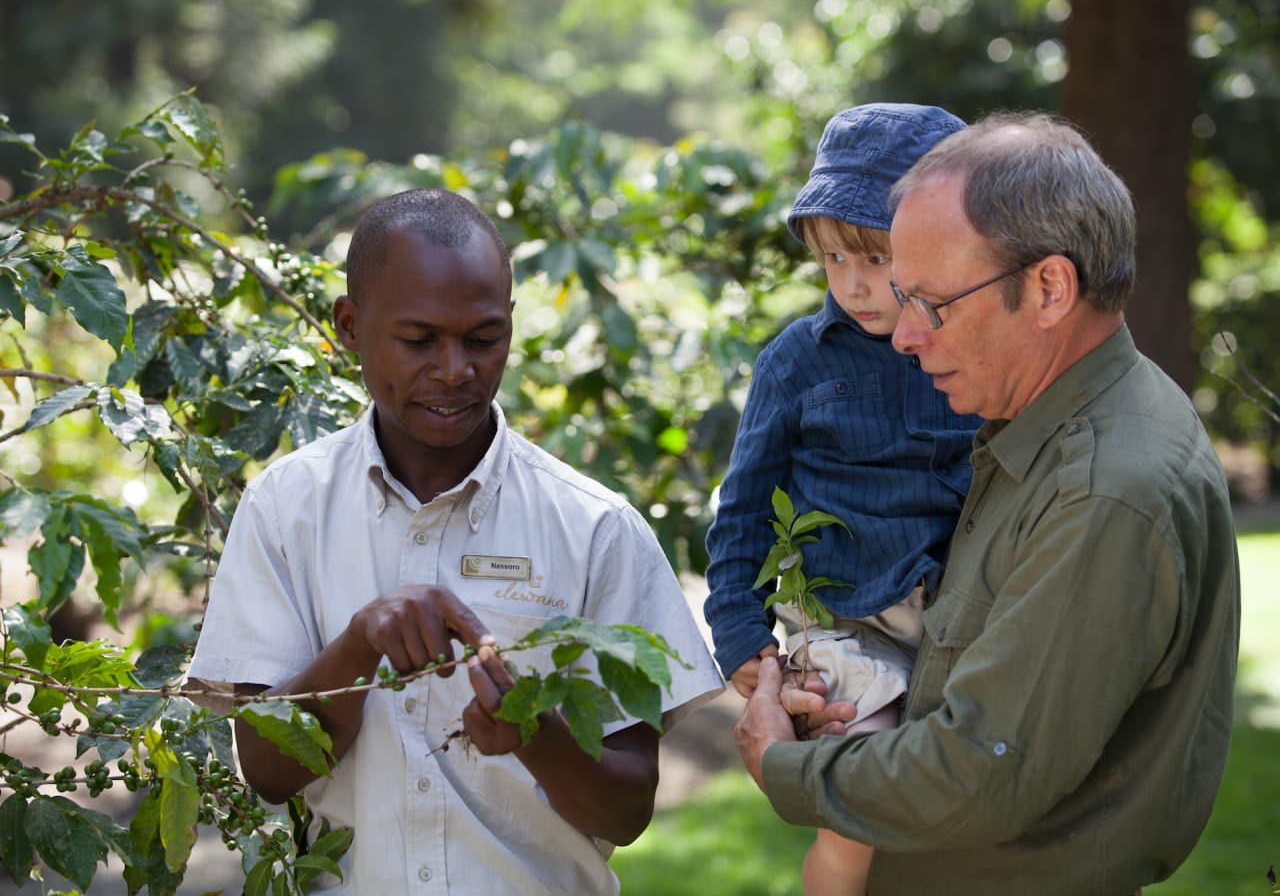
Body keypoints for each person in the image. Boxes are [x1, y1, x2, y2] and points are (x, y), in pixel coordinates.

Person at [734, 112, 1241, 896]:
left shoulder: (1105, 492)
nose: (902, 336)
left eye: (930, 302)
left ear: (1047, 287)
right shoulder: (1038, 416)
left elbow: (976, 771)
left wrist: (783, 763)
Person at [187, 188, 724, 895]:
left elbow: (626, 809)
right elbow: (269, 771)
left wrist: (534, 734)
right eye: (418, 341)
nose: (453, 370)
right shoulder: (287, 510)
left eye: (483, 338)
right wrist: (359, 644)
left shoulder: (594, 528)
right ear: (349, 326)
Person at [703, 103, 979, 896]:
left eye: (874, 258)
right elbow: (744, 508)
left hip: (960, 613)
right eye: (830, 260)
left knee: (967, 794)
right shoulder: (796, 362)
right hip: (850, 616)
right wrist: (739, 637)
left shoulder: (965, 349)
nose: (852, 286)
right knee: (852, 815)